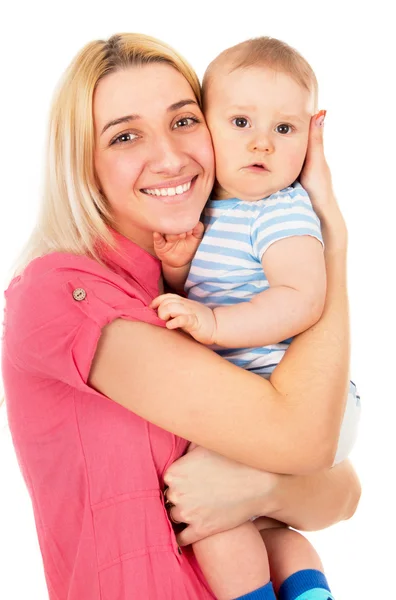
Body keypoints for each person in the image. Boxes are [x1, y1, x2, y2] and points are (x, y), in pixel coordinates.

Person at [1, 33, 360, 600]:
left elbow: (343, 490)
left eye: (184, 120)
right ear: (83, 162)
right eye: (124, 135)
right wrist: (333, 247)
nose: (169, 156)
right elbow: (305, 441)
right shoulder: (64, 295)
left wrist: (258, 488)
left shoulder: (209, 273)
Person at [151, 37, 361, 599]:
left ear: (308, 142)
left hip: (288, 388)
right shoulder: (212, 209)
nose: (262, 142)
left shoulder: (279, 210)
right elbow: (202, 292)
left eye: (285, 130)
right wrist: (176, 273)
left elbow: (300, 298)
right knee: (268, 526)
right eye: (241, 121)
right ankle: (310, 590)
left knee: (211, 516)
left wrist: (213, 325)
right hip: (263, 388)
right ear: (206, 126)